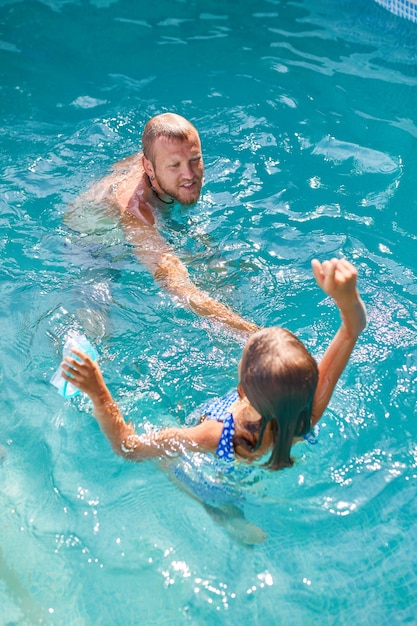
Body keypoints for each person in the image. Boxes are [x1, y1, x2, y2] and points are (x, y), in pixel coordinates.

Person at [61, 258, 367, 470]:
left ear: (242, 390)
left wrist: (97, 390)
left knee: (169, 466)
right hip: (260, 463)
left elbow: (130, 448)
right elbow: (351, 330)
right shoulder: (306, 415)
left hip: (209, 475)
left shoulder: (216, 434)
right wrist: (347, 300)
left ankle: (221, 514)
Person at [69, 112, 258, 334]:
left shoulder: (160, 159)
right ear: (149, 168)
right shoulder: (137, 214)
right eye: (175, 166)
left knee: (220, 271)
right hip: (95, 247)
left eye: (195, 160)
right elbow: (178, 286)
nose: (189, 174)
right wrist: (252, 333)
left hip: (149, 211)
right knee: (98, 322)